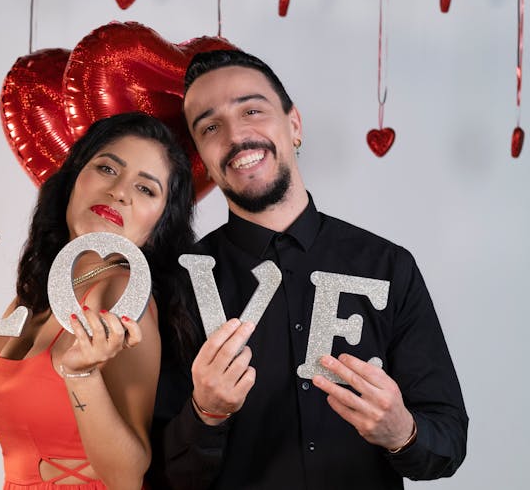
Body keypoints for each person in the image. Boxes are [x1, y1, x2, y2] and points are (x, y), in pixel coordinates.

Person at [149, 50, 468, 489]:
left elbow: (448, 442)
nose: (237, 135)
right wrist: (206, 414)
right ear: (201, 155)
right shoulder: (177, 286)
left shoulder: (388, 267)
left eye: (253, 110)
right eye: (210, 127)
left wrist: (402, 433)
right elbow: (159, 475)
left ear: (294, 124)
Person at [0, 112, 197, 490]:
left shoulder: (124, 294)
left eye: (146, 189)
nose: (120, 191)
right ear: (73, 178)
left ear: (158, 227)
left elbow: (126, 477)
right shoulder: (32, 298)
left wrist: (81, 375)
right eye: (107, 168)